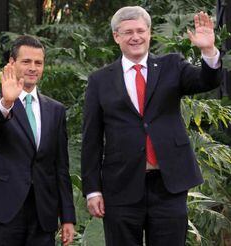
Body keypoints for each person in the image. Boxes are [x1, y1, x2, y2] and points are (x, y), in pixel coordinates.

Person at [81, 6, 221, 245]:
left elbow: (205, 81)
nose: (135, 37)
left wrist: (208, 51)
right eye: (127, 32)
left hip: (169, 184)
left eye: (140, 30)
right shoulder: (99, 80)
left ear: (149, 32)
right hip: (121, 185)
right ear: (116, 36)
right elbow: (91, 139)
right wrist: (93, 190)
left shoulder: (172, 65)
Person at [0, 35, 76, 246]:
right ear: (12, 63)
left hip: (43, 212)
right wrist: (7, 102)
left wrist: (68, 217)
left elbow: (61, 167)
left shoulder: (55, 110)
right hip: (2, 209)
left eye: (38, 63)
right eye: (26, 62)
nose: (33, 68)